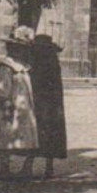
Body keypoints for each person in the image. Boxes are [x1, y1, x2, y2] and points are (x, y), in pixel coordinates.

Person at [0, 46, 39, 178]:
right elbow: (2, 89)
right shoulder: (7, 66)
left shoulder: (23, 66)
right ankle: (4, 168)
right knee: (5, 135)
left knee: (26, 135)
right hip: (10, 106)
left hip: (23, 106)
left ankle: (27, 168)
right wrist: (6, 104)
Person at [26, 35, 68, 179]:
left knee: (34, 133)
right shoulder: (53, 64)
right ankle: (48, 167)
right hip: (53, 106)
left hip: (39, 104)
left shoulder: (36, 65)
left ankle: (28, 166)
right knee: (51, 135)